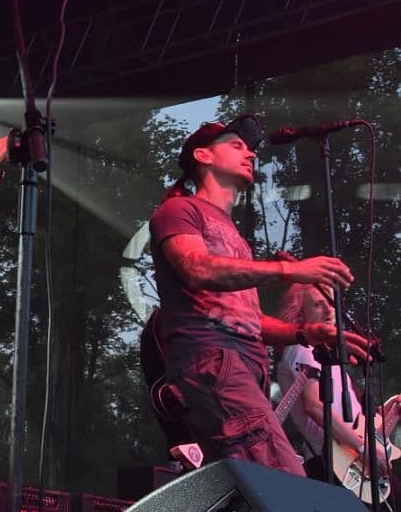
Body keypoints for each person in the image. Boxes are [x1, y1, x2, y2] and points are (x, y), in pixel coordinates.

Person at [148, 114, 369, 476]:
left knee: (258, 485)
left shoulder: (233, 234)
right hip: (214, 359)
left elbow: (245, 318)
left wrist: (305, 333)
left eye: (249, 148)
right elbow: (196, 268)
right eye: (237, 145)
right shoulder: (179, 210)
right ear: (203, 156)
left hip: (243, 368)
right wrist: (290, 270)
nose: (250, 153)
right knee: (287, 481)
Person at [276, 283, 395, 485]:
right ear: (300, 314)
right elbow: (315, 406)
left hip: (349, 457)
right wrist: (363, 449)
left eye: (331, 303)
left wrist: (389, 411)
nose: (329, 310)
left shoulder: (327, 356)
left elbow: (353, 419)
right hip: (333, 461)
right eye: (318, 304)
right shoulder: (302, 348)